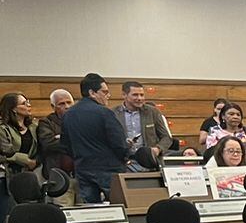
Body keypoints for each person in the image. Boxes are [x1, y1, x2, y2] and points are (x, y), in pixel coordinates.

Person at [63, 73, 131, 205]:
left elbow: (66, 144)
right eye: (104, 92)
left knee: (90, 210)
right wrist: (125, 157)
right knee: (119, 207)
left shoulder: (68, 114)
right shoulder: (105, 113)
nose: (108, 96)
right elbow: (119, 143)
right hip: (109, 169)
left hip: (82, 168)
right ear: (92, 93)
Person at [0, 94, 39, 223]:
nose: (28, 105)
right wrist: (24, 160)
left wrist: (34, 161)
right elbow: (5, 152)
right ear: (13, 109)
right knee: (7, 215)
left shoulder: (34, 126)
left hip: (27, 176)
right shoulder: (3, 128)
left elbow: (39, 148)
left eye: (28, 102)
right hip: (6, 177)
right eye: (24, 103)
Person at [116, 81, 174, 159]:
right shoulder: (114, 113)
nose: (140, 98)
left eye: (142, 95)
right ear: (124, 95)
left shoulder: (152, 112)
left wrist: (158, 149)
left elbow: (166, 137)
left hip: (148, 161)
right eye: (135, 95)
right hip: (123, 161)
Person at [34, 89, 72, 181]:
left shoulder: (80, 120)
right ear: (53, 106)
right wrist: (73, 139)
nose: (67, 106)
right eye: (61, 104)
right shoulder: (46, 122)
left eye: (69, 102)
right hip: (57, 172)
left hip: (79, 172)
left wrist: (60, 137)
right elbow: (49, 144)